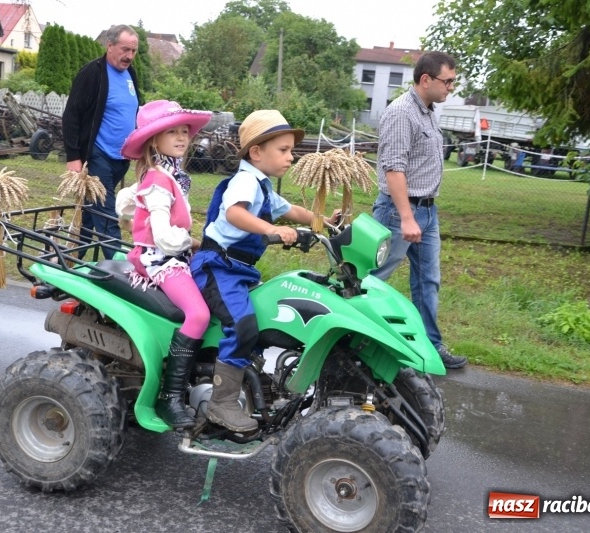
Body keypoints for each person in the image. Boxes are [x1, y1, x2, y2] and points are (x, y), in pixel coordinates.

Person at [190, 110, 339, 432]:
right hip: (217, 267)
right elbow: (234, 214)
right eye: (283, 150)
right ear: (256, 153)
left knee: (263, 319)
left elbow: (293, 210)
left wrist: (323, 222)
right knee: (243, 325)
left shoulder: (263, 186)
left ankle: (252, 381)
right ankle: (222, 402)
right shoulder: (244, 181)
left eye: (291, 151)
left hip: (238, 270)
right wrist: (274, 230)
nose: (291, 157)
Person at [371, 51, 468, 370]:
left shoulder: (426, 111)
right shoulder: (401, 113)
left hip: (427, 212)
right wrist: (408, 217)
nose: (451, 87)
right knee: (373, 280)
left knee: (428, 281)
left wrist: (421, 215)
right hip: (400, 213)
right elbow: (394, 169)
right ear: (425, 79)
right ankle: (354, 341)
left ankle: (430, 345)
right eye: (448, 81)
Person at [118, 100, 212, 429]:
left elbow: (128, 204)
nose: (181, 136)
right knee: (199, 314)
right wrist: (195, 242)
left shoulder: (167, 174)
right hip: (161, 259)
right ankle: (170, 398)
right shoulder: (158, 181)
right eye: (171, 131)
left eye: (184, 131)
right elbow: (163, 237)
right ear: (153, 141)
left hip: (174, 254)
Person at [62, 24, 143, 259]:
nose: (129, 56)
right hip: (98, 155)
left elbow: (135, 111)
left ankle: (74, 261)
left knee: (90, 211)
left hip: (122, 159)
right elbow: (72, 115)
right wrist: (73, 157)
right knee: (107, 212)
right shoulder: (93, 73)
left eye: (133, 51)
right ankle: (119, 270)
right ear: (110, 45)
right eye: (125, 49)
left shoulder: (131, 74)